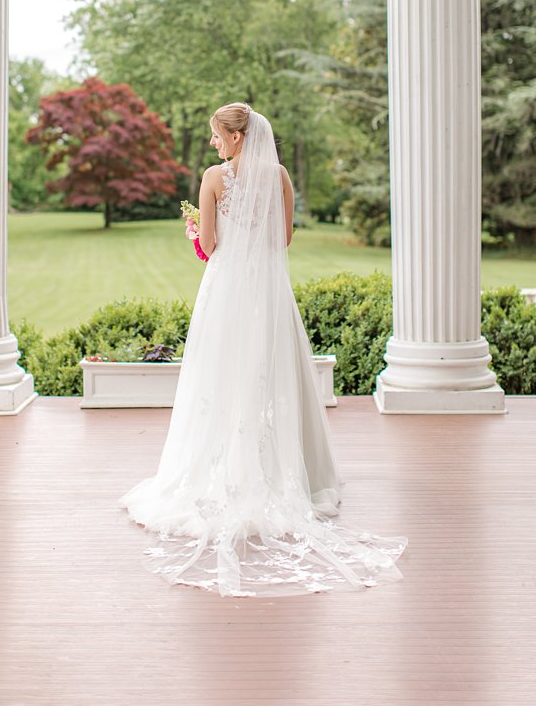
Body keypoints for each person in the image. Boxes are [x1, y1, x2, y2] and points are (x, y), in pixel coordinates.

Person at [119, 102, 406, 596]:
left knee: (222, 374)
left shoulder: (214, 179)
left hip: (227, 291)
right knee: (271, 375)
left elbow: (209, 246)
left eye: (216, 135)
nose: (212, 144)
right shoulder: (280, 176)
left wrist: (196, 231)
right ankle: (286, 472)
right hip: (268, 295)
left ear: (237, 138)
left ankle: (228, 474)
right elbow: (285, 238)